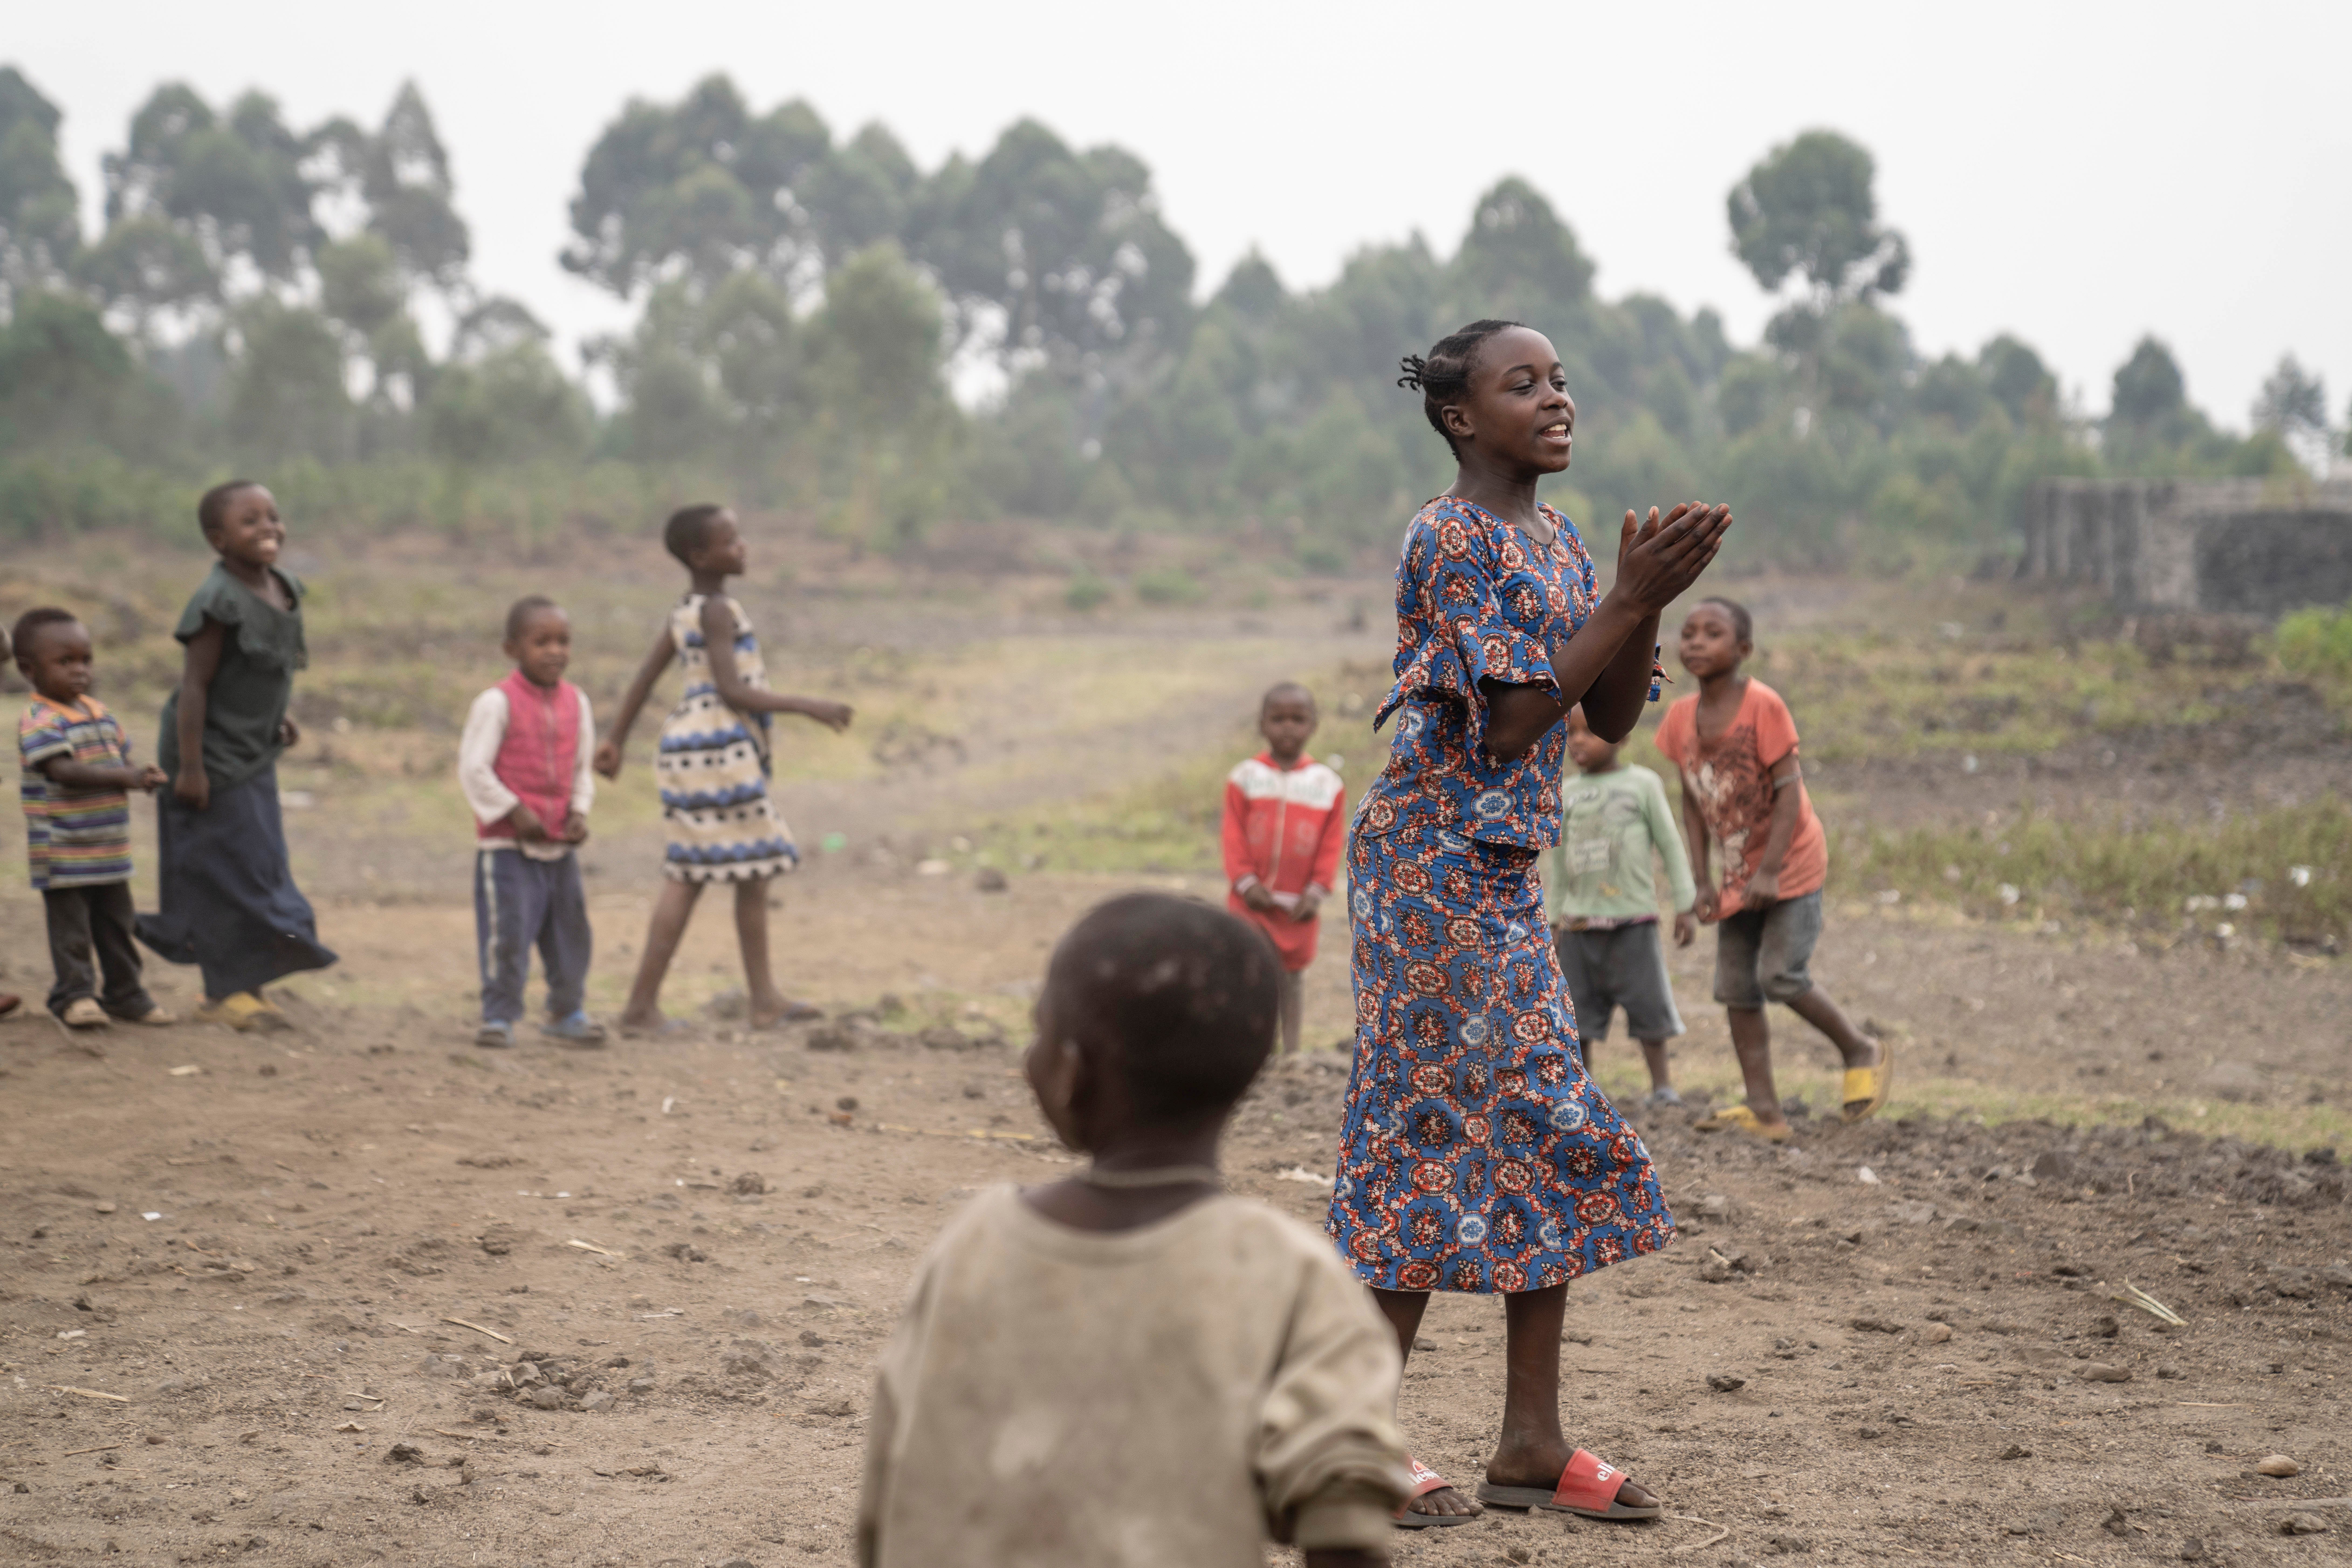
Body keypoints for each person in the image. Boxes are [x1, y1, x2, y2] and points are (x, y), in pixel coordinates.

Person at [1329, 319, 1731, 1527]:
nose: (1556, 398)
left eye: (1560, 379)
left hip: (1499, 875)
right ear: (1462, 417)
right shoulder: (1447, 537)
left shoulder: (1554, 537)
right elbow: (1509, 723)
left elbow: (1602, 709)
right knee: (1427, 1125)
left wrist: (1645, 603)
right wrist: (1627, 593)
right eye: (1524, 384)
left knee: (1537, 1118)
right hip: (1428, 871)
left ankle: (1530, 1439)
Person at [858, 892, 1410, 1568]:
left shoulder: (973, 1248)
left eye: (1040, 1032)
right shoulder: (1287, 1270)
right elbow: (1346, 1519)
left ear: (1068, 1070)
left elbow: (893, 1491)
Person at [595, 504, 852, 1032]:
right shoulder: (716, 611)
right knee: (705, 873)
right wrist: (811, 706)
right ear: (700, 554)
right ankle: (652, 1007)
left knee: (728, 871)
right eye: (732, 541)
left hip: (691, 747)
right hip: (717, 748)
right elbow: (731, 689)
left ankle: (756, 1000)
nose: (743, 548)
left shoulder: (686, 610)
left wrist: (617, 740)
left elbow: (645, 677)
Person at [1655, 598, 1889, 1141]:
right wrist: (1702, 880)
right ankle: (1765, 1111)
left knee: (1780, 975)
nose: (1695, 643)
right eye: (1688, 633)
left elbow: (1789, 795)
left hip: (1791, 863)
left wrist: (1770, 872)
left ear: (1743, 650)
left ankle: (1861, 1047)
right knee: (1737, 989)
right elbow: (1692, 803)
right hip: (1738, 872)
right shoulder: (1679, 720)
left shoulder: (1764, 706)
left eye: (1712, 634)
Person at [135, 481, 337, 1031]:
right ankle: (224, 990)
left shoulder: (284, 587)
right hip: (209, 758)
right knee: (224, 871)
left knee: (259, 865)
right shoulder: (217, 601)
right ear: (218, 540)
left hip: (253, 751)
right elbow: (196, 686)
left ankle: (245, 983)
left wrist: (278, 718)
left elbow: (262, 671)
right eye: (250, 522)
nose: (268, 527)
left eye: (273, 516)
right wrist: (193, 768)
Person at [14, 608, 173, 1031]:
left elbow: (120, 761)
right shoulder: (40, 720)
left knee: (117, 926)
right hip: (63, 849)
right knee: (73, 931)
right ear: (28, 670)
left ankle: (127, 994)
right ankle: (75, 996)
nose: (80, 671)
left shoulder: (101, 714)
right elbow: (63, 772)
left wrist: (143, 774)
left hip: (108, 848)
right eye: (65, 663)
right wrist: (127, 778)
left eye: (85, 660)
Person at [456, 596, 605, 1049]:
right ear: (513, 649)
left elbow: (582, 770)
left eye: (563, 641)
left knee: (570, 932)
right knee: (509, 934)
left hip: (559, 847)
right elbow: (474, 768)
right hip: (508, 849)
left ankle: (566, 1010)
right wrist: (512, 810)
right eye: (541, 642)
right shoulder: (496, 703)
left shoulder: (577, 702)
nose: (555, 651)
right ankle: (499, 1015)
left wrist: (579, 813)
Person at [1542, 703, 1695, 1105]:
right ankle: (1581, 1090)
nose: (1577, 741)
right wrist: (1554, 920)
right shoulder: (1566, 794)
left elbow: (1670, 845)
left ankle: (1662, 1086)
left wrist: (1685, 903)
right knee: (1577, 1014)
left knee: (1648, 1007)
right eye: (1571, 733)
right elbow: (1560, 864)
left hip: (1632, 921)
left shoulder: (1642, 784)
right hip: (1579, 926)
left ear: (1622, 735)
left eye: (1589, 731)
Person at [1222, 681, 1347, 1054]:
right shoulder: (1244, 778)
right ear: (1262, 724)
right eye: (1278, 719)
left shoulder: (1327, 785)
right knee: (1248, 975)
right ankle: (1248, 1050)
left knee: (1292, 979)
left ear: (1313, 725)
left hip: (1298, 906)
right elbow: (1233, 837)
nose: (1288, 727)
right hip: (1251, 902)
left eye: (1298, 719)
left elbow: (1330, 844)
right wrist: (1246, 884)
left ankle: (1290, 1054)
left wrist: (1317, 892)